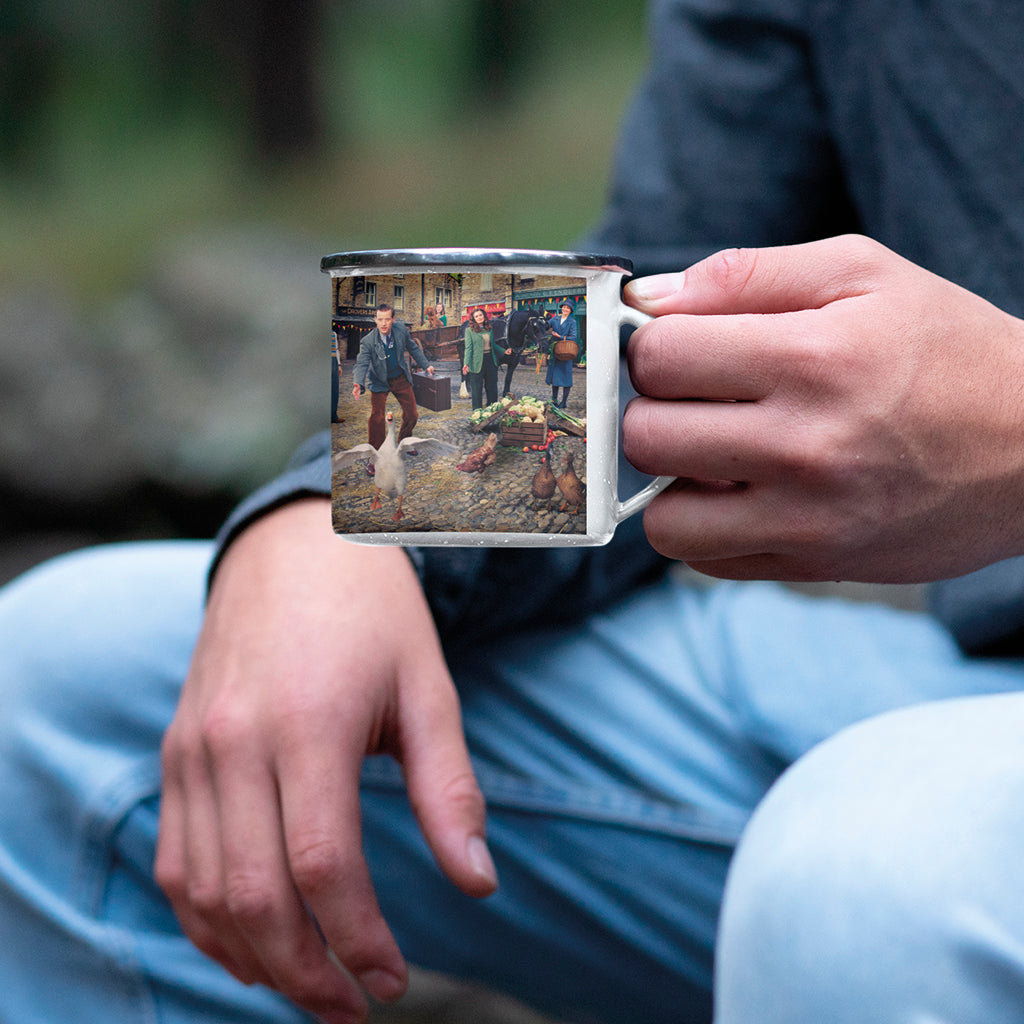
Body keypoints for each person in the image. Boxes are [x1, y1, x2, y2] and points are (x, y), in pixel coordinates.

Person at [1, 3, 1023, 1024]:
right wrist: (350, 509)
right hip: (938, 680)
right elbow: (661, 296)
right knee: (64, 675)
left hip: (900, 802)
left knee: (868, 874)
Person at [351, 303, 434, 470]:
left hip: (400, 377)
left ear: (393, 320)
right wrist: (358, 382)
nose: (383, 323)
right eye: (380, 319)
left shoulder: (401, 330)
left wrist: (426, 365)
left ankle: (404, 441)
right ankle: (375, 457)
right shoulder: (368, 341)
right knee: (377, 417)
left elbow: (413, 347)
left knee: (412, 414)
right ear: (375, 320)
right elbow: (361, 363)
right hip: (379, 381)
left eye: (387, 320)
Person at [461, 306, 507, 410]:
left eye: (480, 315)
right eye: (476, 316)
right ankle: (477, 412)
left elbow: (493, 345)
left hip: (490, 360)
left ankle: (492, 409)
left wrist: (504, 351)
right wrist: (466, 363)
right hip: (476, 362)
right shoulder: (469, 331)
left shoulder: (489, 329)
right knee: (477, 390)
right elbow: (468, 348)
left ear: (484, 316)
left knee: (492, 387)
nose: (479, 317)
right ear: (473, 318)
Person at [544, 300, 578, 408]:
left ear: (570, 311)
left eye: (568, 308)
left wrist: (561, 337)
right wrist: (542, 320)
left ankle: (564, 402)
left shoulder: (572, 322)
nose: (565, 309)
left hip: (566, 352)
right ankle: (554, 400)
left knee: (566, 378)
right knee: (555, 378)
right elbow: (546, 325)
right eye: (564, 307)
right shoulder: (555, 319)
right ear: (561, 308)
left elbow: (573, 337)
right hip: (556, 352)